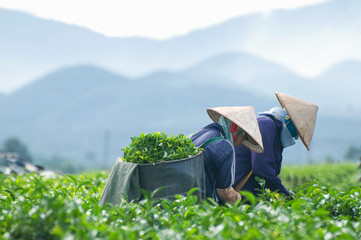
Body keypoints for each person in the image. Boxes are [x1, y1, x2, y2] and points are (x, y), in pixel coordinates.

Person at [233, 92, 318, 196]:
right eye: (297, 131)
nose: (295, 136)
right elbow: (261, 168)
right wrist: (285, 194)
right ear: (288, 119)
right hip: (238, 190)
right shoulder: (266, 125)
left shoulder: (276, 132)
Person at [191, 106, 264, 204]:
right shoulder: (225, 146)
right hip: (202, 205)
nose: (240, 143)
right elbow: (225, 194)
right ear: (236, 129)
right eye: (244, 138)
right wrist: (241, 200)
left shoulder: (201, 132)